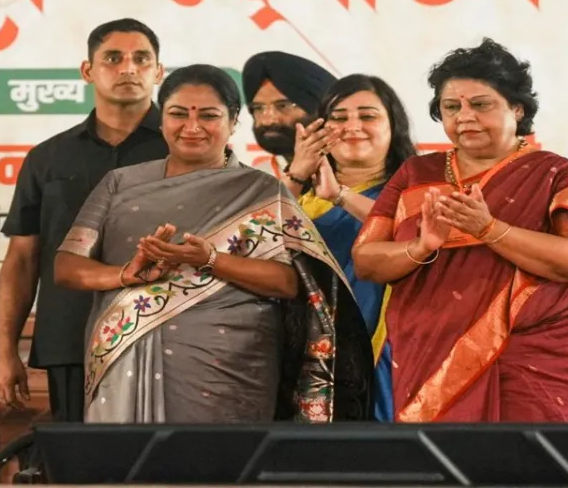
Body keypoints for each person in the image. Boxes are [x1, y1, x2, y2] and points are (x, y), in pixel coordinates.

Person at [53, 65, 373, 423]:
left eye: (208, 115)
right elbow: (67, 267)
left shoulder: (262, 191)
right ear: (161, 120)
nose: (192, 127)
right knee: (124, 457)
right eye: (178, 114)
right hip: (124, 350)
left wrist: (211, 259)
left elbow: (288, 283)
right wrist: (124, 275)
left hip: (230, 362)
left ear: (233, 121)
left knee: (222, 457)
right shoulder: (119, 183)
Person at [353, 38, 568, 422]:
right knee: (438, 459)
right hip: (427, 358)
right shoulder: (416, 174)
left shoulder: (556, 174)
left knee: (524, 458)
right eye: (451, 107)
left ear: (517, 108)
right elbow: (366, 261)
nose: (464, 116)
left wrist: (490, 229)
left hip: (526, 359)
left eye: (481, 104)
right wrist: (421, 247)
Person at [0, 18, 170, 423]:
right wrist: (5, 352)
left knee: (163, 460)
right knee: (80, 459)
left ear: (159, 72)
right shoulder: (48, 158)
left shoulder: (187, 153)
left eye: (141, 59)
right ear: (87, 71)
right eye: (113, 58)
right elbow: (21, 259)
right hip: (71, 339)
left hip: (164, 334)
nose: (128, 68)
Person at [286, 76, 417, 421]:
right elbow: (255, 240)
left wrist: (340, 197)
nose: (352, 126)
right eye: (339, 117)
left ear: (393, 127)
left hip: (386, 354)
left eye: (368, 116)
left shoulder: (417, 192)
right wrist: (297, 174)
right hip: (304, 357)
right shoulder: (299, 199)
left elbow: (416, 233)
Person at [241, 51, 337, 172]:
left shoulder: (356, 173)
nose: (268, 121)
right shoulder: (255, 179)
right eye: (258, 108)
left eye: (283, 106)